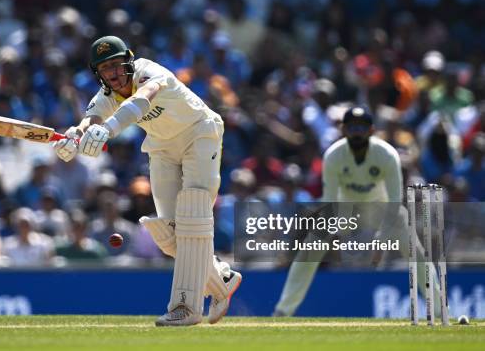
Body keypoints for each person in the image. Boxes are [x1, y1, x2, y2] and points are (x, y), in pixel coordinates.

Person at [53, 36, 241, 326]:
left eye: (117, 65)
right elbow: (89, 121)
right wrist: (74, 137)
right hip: (162, 146)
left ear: (128, 61)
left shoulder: (149, 72)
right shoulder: (105, 95)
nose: (113, 73)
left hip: (199, 133)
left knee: (192, 212)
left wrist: (111, 128)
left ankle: (185, 308)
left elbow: (142, 99)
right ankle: (221, 281)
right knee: (170, 234)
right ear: (98, 73)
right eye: (105, 69)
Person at [273, 106, 441, 316]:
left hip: (381, 211)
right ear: (344, 130)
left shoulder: (387, 155)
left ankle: (439, 309)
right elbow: (330, 202)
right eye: (352, 128)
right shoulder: (334, 156)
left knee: (415, 251)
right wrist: (334, 233)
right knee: (309, 249)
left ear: (371, 130)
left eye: (362, 128)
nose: (357, 134)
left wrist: (382, 240)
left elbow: (395, 202)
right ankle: (283, 310)